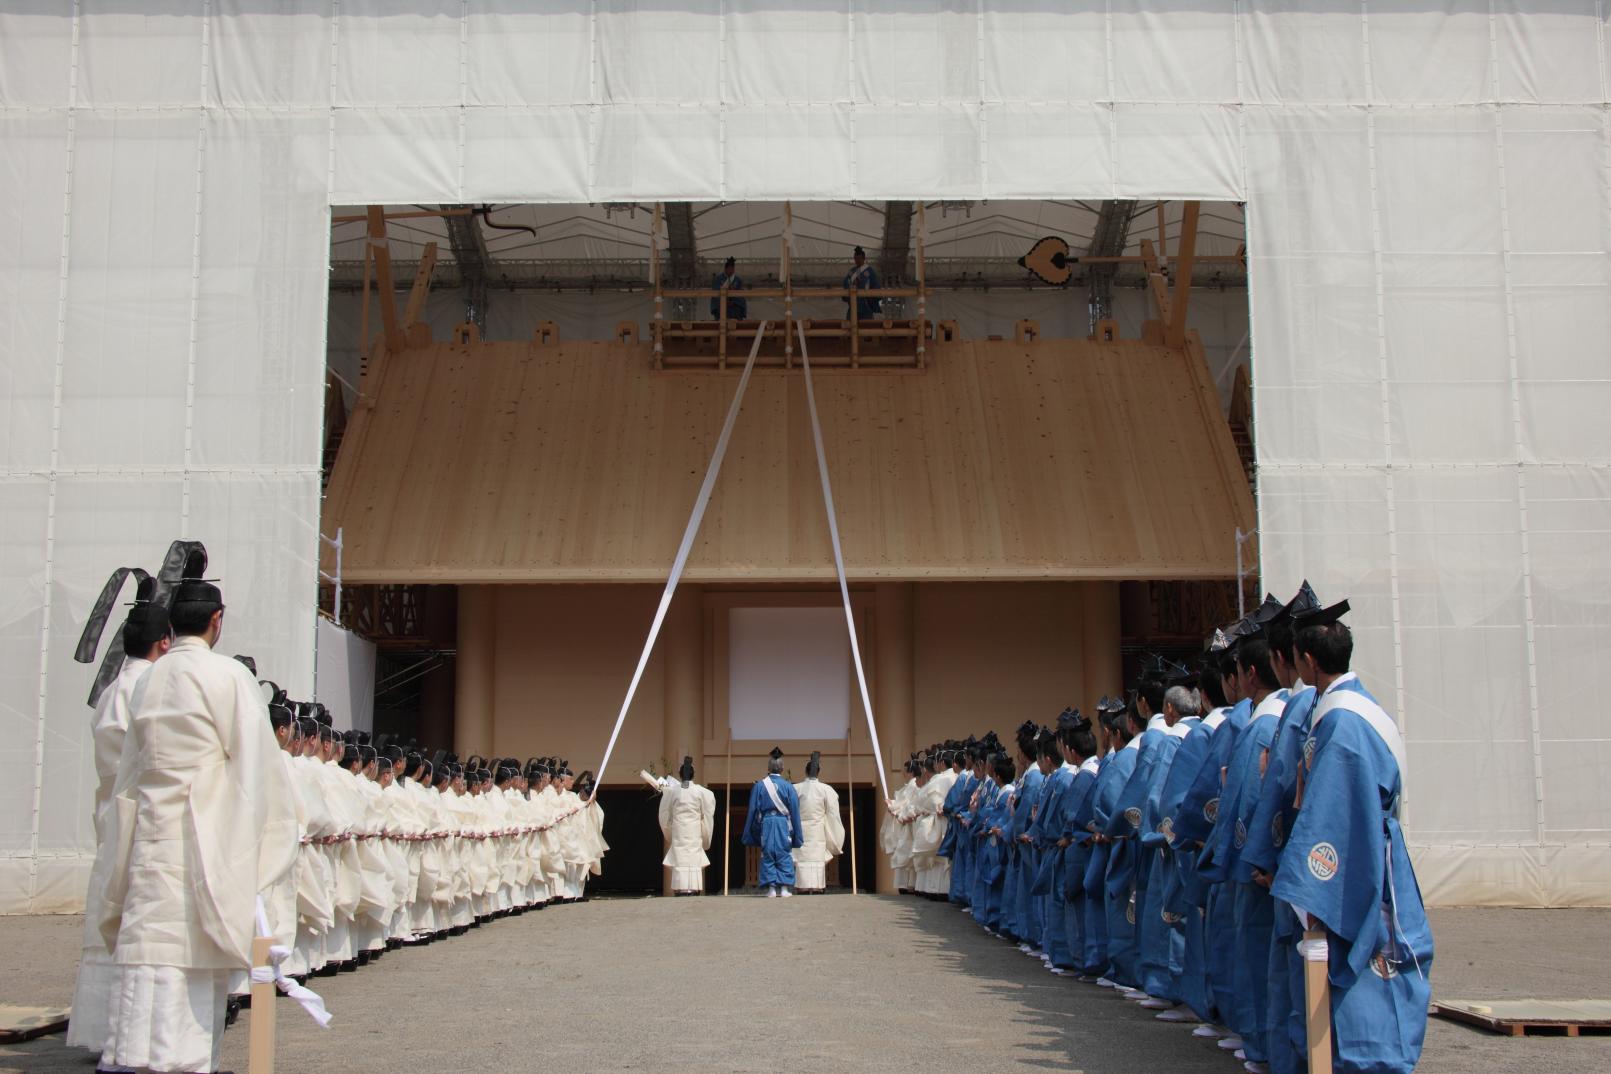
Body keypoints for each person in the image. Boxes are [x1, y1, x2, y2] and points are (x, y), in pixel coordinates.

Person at [98, 554, 299, 1074]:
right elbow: (257, 771)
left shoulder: (147, 679)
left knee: (148, 959)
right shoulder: (227, 676)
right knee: (187, 966)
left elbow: (129, 772)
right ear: (216, 621)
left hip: (149, 834)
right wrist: (265, 844)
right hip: (203, 839)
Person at [1270, 601, 1433, 1074]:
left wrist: (1309, 891)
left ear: (1308, 661)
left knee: (1365, 980)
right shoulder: (1345, 710)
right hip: (1365, 848)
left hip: (1356, 858)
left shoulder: (1342, 723)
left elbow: (1333, 814)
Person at [67, 578, 171, 1059]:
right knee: (132, 922)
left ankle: (102, 1029)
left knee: (109, 918)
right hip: (137, 810)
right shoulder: (145, 690)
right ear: (163, 642)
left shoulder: (114, 690)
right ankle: (123, 1033)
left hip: (114, 808)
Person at [742, 747, 804, 897]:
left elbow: (753, 810)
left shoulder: (759, 786)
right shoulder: (788, 787)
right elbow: (795, 812)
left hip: (767, 823)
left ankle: (771, 889)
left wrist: (750, 832)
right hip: (783, 823)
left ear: (768, 768)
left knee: (767, 852)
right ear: (782, 769)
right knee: (784, 852)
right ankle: (783, 889)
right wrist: (797, 835)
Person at [657, 756, 716, 895]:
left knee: (680, 856)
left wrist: (668, 829)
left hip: (679, 829)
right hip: (694, 829)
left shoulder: (672, 791)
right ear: (693, 774)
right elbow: (708, 807)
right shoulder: (701, 791)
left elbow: (664, 813)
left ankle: (680, 887)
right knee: (692, 856)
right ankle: (693, 887)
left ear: (680, 774)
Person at [792, 751, 845, 894]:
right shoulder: (826, 790)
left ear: (805, 771)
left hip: (801, 828)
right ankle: (816, 886)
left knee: (803, 857)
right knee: (815, 857)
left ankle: (802, 886)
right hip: (817, 829)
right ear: (819, 772)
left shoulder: (795, 788)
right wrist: (835, 834)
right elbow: (833, 814)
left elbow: (790, 810)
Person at [842, 246, 882, 321]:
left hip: (866, 305)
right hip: (853, 304)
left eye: (859, 258)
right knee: (850, 326)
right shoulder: (852, 271)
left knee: (867, 329)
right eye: (855, 258)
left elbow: (876, 285)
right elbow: (846, 283)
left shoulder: (870, 271)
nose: (857, 260)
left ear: (863, 258)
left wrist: (872, 297)